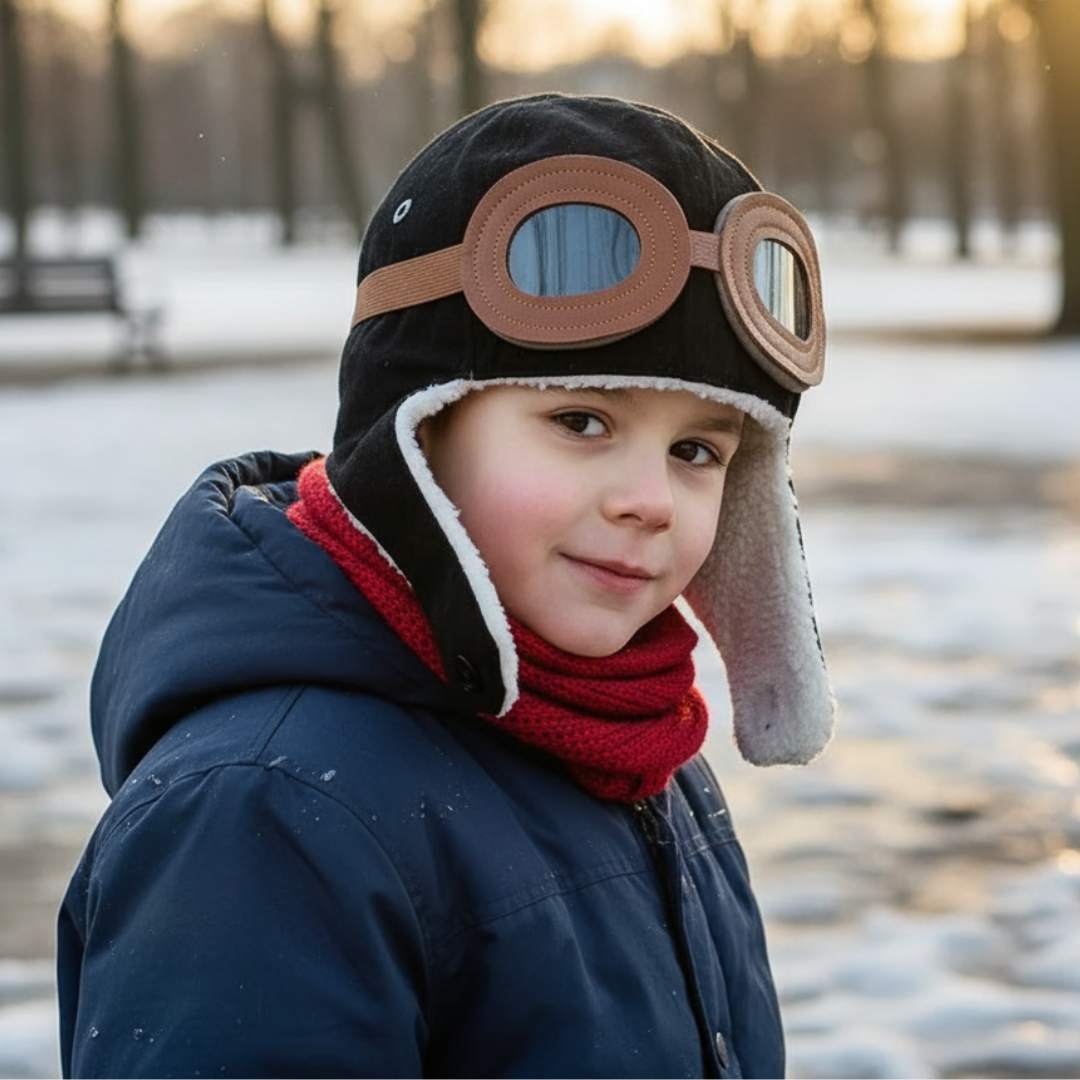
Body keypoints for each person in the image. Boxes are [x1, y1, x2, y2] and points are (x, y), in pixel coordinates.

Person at [57, 93, 835, 1078]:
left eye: (696, 449)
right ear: (416, 439)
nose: (651, 501)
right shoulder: (265, 816)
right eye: (582, 421)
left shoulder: (642, 741)